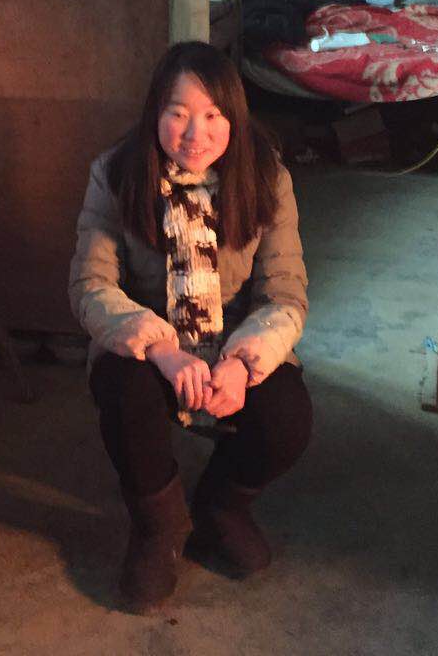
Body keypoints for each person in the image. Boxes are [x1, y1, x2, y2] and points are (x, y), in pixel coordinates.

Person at [68, 42, 313, 611]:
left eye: (212, 115)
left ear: (234, 117)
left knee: (288, 416)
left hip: (234, 342)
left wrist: (243, 361)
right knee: (122, 391)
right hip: (151, 344)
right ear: (156, 112)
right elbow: (90, 285)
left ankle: (220, 506)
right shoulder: (116, 173)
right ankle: (159, 524)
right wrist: (160, 348)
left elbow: (284, 294)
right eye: (178, 113)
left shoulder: (267, 177)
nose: (194, 134)